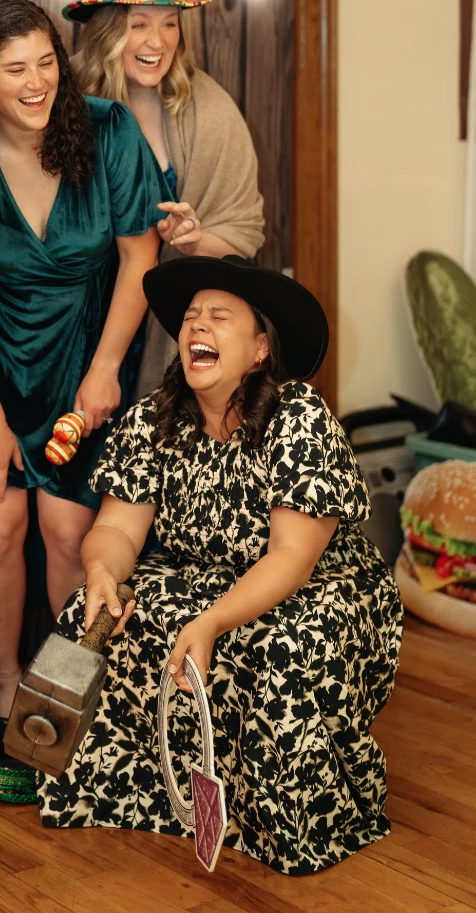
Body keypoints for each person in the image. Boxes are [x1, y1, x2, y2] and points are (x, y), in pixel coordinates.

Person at [37, 255, 404, 874]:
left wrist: (207, 624)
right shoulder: (154, 419)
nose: (196, 327)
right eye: (189, 318)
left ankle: (283, 813)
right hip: (205, 575)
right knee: (98, 610)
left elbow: (291, 556)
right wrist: (101, 571)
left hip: (321, 589)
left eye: (219, 317)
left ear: (261, 348)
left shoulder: (299, 418)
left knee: (281, 641)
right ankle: (149, 793)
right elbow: (117, 530)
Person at [0, 0, 171, 718]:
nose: (36, 83)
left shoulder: (109, 128)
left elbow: (140, 259)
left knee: (71, 530)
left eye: (47, 65)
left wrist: (105, 371)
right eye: (15, 70)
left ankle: (68, 689)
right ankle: (7, 683)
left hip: (85, 362)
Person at [65, 0, 265, 395]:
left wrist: (195, 241)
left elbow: (242, 235)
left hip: (170, 330)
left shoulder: (210, 110)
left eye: (169, 23)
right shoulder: (67, 104)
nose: (157, 42)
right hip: (79, 324)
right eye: (139, 25)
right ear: (108, 32)